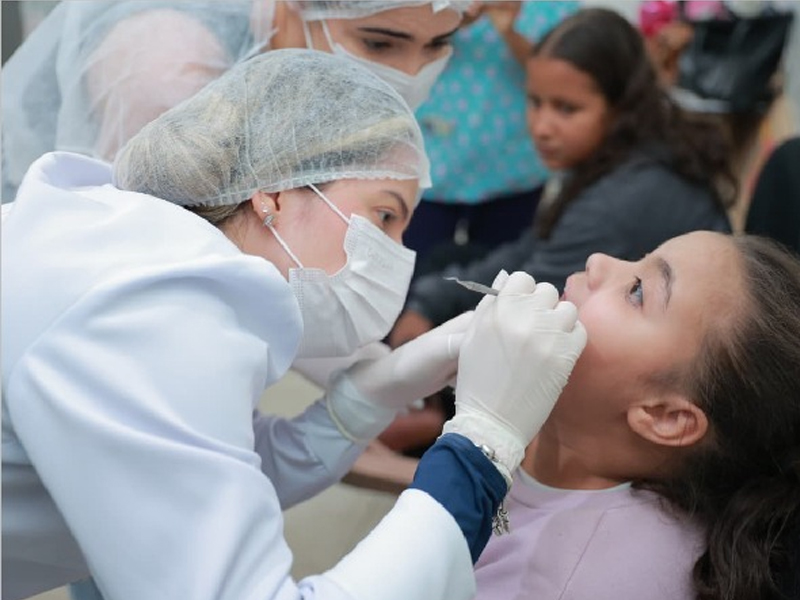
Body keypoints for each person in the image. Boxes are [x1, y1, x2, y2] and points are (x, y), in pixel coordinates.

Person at [1, 49, 587, 600]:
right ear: (274, 194)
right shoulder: (151, 317)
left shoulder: (144, 256)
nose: (396, 256)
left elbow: (220, 471)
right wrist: (482, 445)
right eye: (383, 215)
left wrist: (368, 395)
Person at [472, 229, 800, 600]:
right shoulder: (556, 445)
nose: (597, 261)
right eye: (640, 256)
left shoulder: (580, 582)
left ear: (665, 416)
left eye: (637, 291)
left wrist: (465, 445)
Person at [391, 7, 736, 347]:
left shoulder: (619, 200)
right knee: (445, 264)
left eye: (566, 108)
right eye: (535, 102)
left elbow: (531, 292)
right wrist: (431, 300)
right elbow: (537, 245)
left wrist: (427, 316)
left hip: (682, 354)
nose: (541, 127)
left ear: (621, 106)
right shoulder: (626, 155)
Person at [1, 0, 469, 203]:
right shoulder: (170, 68)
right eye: (380, 44)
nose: (410, 75)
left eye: (438, 45)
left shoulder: (298, 63)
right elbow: (146, 251)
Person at [404, 0, 578, 267]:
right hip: (429, 160)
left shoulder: (556, 6)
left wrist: (511, 31)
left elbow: (565, 80)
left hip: (513, 168)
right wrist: (453, 20)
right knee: (410, 273)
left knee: (500, 281)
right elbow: (394, 41)